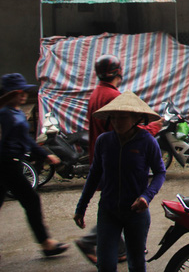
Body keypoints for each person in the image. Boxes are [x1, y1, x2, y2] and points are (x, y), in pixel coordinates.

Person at [74, 91, 166, 272]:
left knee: (137, 264)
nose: (117, 122)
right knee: (106, 265)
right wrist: (81, 207)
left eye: (122, 118)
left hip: (136, 212)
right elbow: (94, 175)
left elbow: (160, 173)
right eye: (114, 118)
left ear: (135, 118)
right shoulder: (104, 141)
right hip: (108, 212)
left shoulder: (147, 142)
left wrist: (147, 196)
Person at [0, 73, 69, 258]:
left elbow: (26, 140)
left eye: (24, 91)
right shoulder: (4, 113)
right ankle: (46, 243)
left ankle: (46, 243)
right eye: (19, 91)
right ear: (10, 93)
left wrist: (45, 154)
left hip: (13, 164)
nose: (23, 95)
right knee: (31, 200)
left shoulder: (16, 112)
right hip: (6, 163)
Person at [75, 54, 128, 265]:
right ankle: (90, 240)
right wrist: (152, 126)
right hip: (114, 160)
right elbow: (125, 131)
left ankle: (121, 249)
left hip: (101, 159)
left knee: (116, 204)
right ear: (118, 72)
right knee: (119, 206)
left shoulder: (97, 93)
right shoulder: (114, 97)